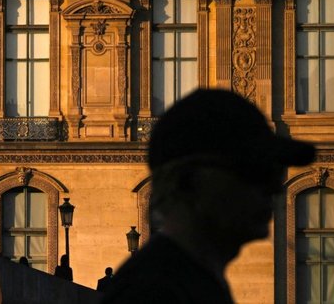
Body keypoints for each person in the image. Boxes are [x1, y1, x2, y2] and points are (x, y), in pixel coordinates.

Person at [100, 88, 315, 303]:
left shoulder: (178, 281)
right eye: (255, 171)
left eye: (275, 173)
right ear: (190, 182)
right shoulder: (153, 292)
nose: (274, 188)